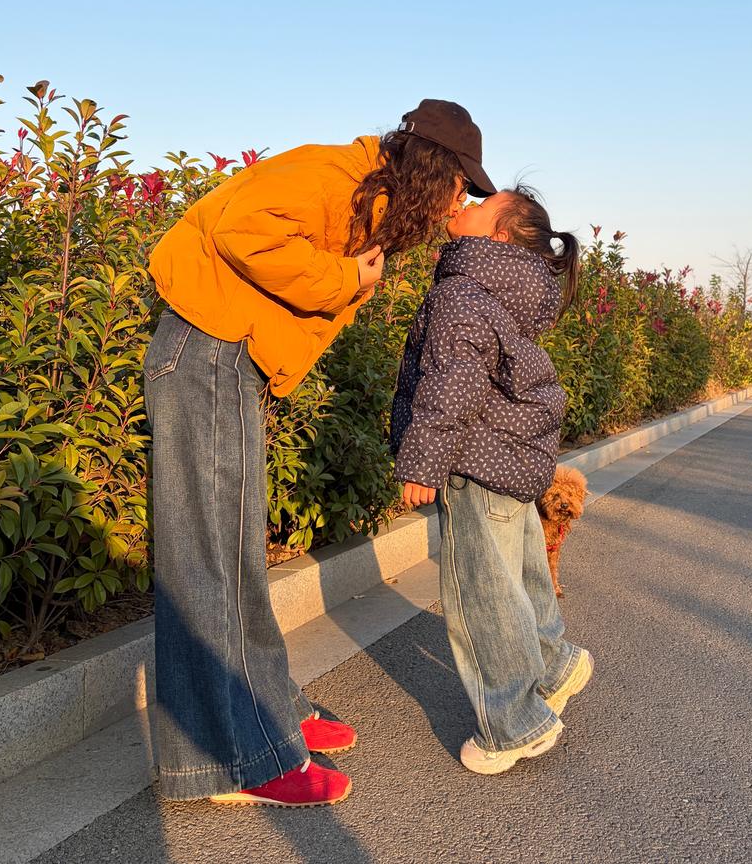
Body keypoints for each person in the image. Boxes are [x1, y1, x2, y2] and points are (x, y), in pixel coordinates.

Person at [143, 100, 496, 806]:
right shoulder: (334, 176)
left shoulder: (367, 193)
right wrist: (345, 280)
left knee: (231, 554)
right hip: (207, 349)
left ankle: (268, 709)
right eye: (461, 184)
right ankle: (238, 759)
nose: (460, 201)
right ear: (434, 166)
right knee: (208, 559)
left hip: (223, 355)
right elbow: (241, 230)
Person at [390, 186, 594, 774]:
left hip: (476, 460)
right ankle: (554, 665)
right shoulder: (511, 290)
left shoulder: (463, 289)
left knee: (481, 593)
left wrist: (423, 460)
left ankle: (514, 724)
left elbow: (454, 380)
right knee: (521, 574)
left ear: (499, 235)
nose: (465, 204)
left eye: (481, 205)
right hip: (511, 456)